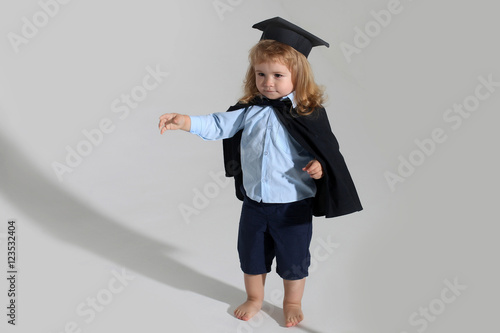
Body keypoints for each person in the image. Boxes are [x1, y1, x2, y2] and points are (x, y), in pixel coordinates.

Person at [158, 17, 362, 328]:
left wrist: (320, 167)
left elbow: (326, 153)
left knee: (294, 260)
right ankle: (254, 298)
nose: (268, 82)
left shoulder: (308, 115)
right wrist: (185, 121)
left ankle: (291, 301)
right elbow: (216, 125)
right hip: (254, 205)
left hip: (293, 206)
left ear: (299, 76)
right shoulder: (248, 110)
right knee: (251, 256)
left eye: (278, 75)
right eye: (261, 74)